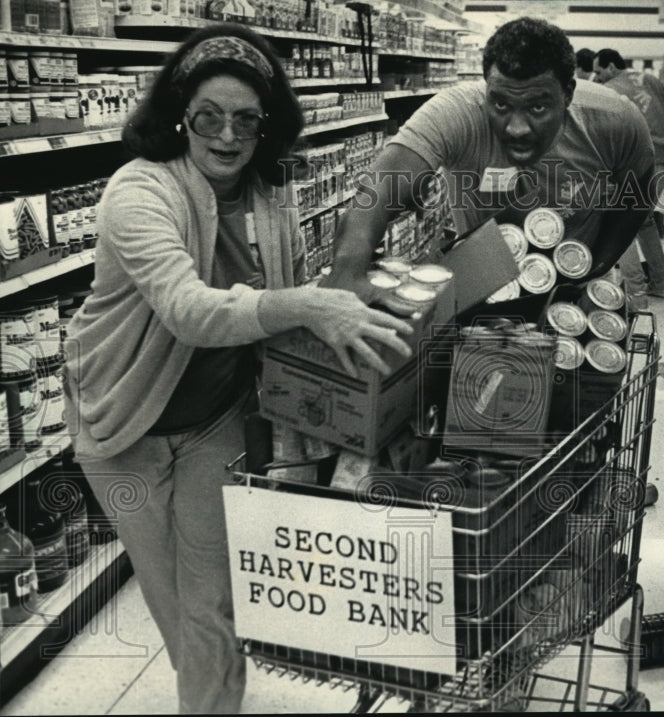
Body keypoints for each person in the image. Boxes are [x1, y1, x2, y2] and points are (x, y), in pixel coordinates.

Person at [63, 23, 413, 714]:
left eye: (245, 119)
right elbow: (189, 310)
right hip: (122, 428)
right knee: (174, 603)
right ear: (179, 117)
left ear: (267, 125)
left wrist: (345, 297)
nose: (226, 135)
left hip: (215, 425)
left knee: (211, 601)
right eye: (208, 117)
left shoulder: (268, 194)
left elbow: (274, 299)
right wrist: (305, 302)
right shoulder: (139, 191)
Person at [327, 18, 655, 308]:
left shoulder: (613, 118)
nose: (516, 128)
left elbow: (642, 185)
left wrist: (597, 264)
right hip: (481, 288)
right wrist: (347, 272)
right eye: (500, 103)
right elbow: (381, 186)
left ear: (567, 94)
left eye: (538, 108)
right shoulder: (458, 112)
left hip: (573, 292)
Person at [594, 48, 664, 308]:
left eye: (598, 71)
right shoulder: (649, 78)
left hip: (643, 161)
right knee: (645, 221)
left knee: (621, 222)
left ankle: (636, 294)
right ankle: (661, 283)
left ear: (609, 67)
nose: (597, 77)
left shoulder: (609, 90)